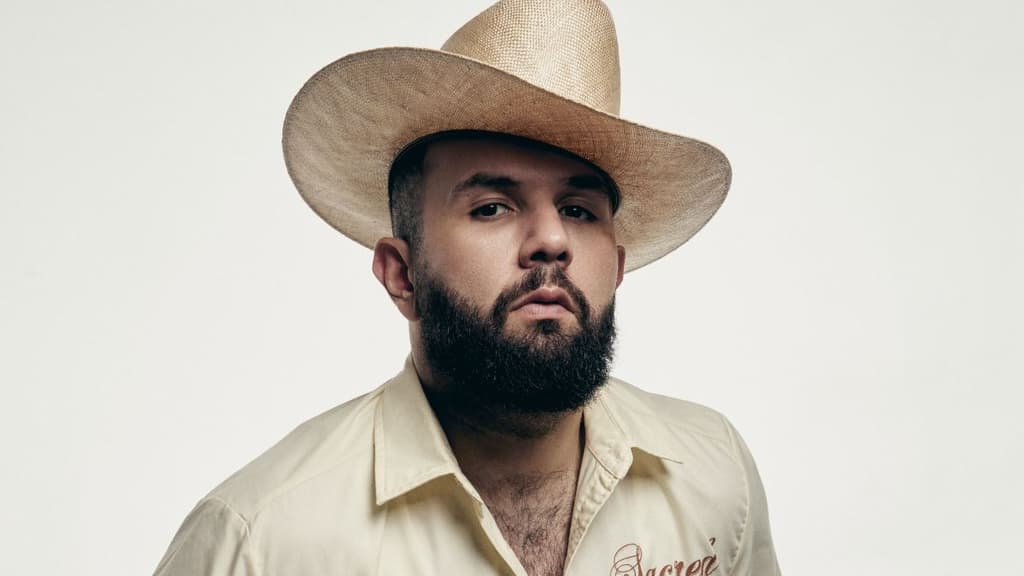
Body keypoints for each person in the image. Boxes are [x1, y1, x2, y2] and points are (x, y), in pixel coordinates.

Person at [154, 1, 781, 575]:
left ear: (616, 267)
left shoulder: (711, 470)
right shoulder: (261, 540)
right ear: (401, 274)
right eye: (491, 207)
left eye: (580, 209)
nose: (551, 241)